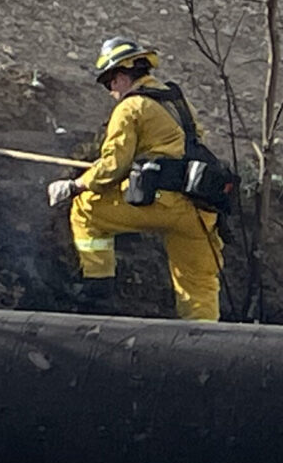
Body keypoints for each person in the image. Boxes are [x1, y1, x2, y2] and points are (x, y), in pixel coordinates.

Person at [46, 39, 226, 322]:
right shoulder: (178, 101)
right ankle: (203, 344)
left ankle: (97, 291)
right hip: (199, 208)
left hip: (163, 201)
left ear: (119, 76)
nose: (111, 92)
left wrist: (74, 185)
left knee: (85, 208)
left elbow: (113, 166)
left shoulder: (130, 107)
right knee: (198, 285)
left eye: (109, 84)